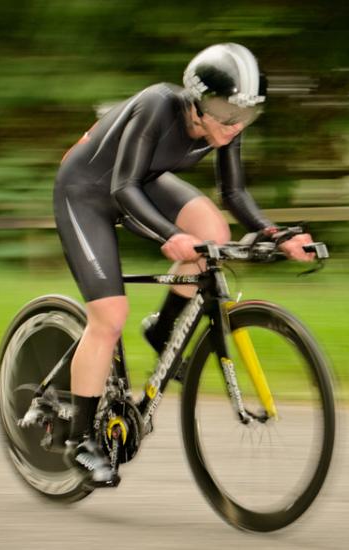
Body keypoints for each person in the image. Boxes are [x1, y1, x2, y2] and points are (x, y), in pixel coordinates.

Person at [53, 43, 314, 486]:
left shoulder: (229, 122)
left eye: (245, 115)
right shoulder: (158, 104)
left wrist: (277, 234)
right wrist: (171, 236)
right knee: (110, 315)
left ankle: (164, 328)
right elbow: (122, 186)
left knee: (214, 232)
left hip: (141, 184)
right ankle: (80, 440)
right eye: (225, 112)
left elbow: (234, 194)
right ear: (196, 99)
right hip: (87, 193)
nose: (234, 125)